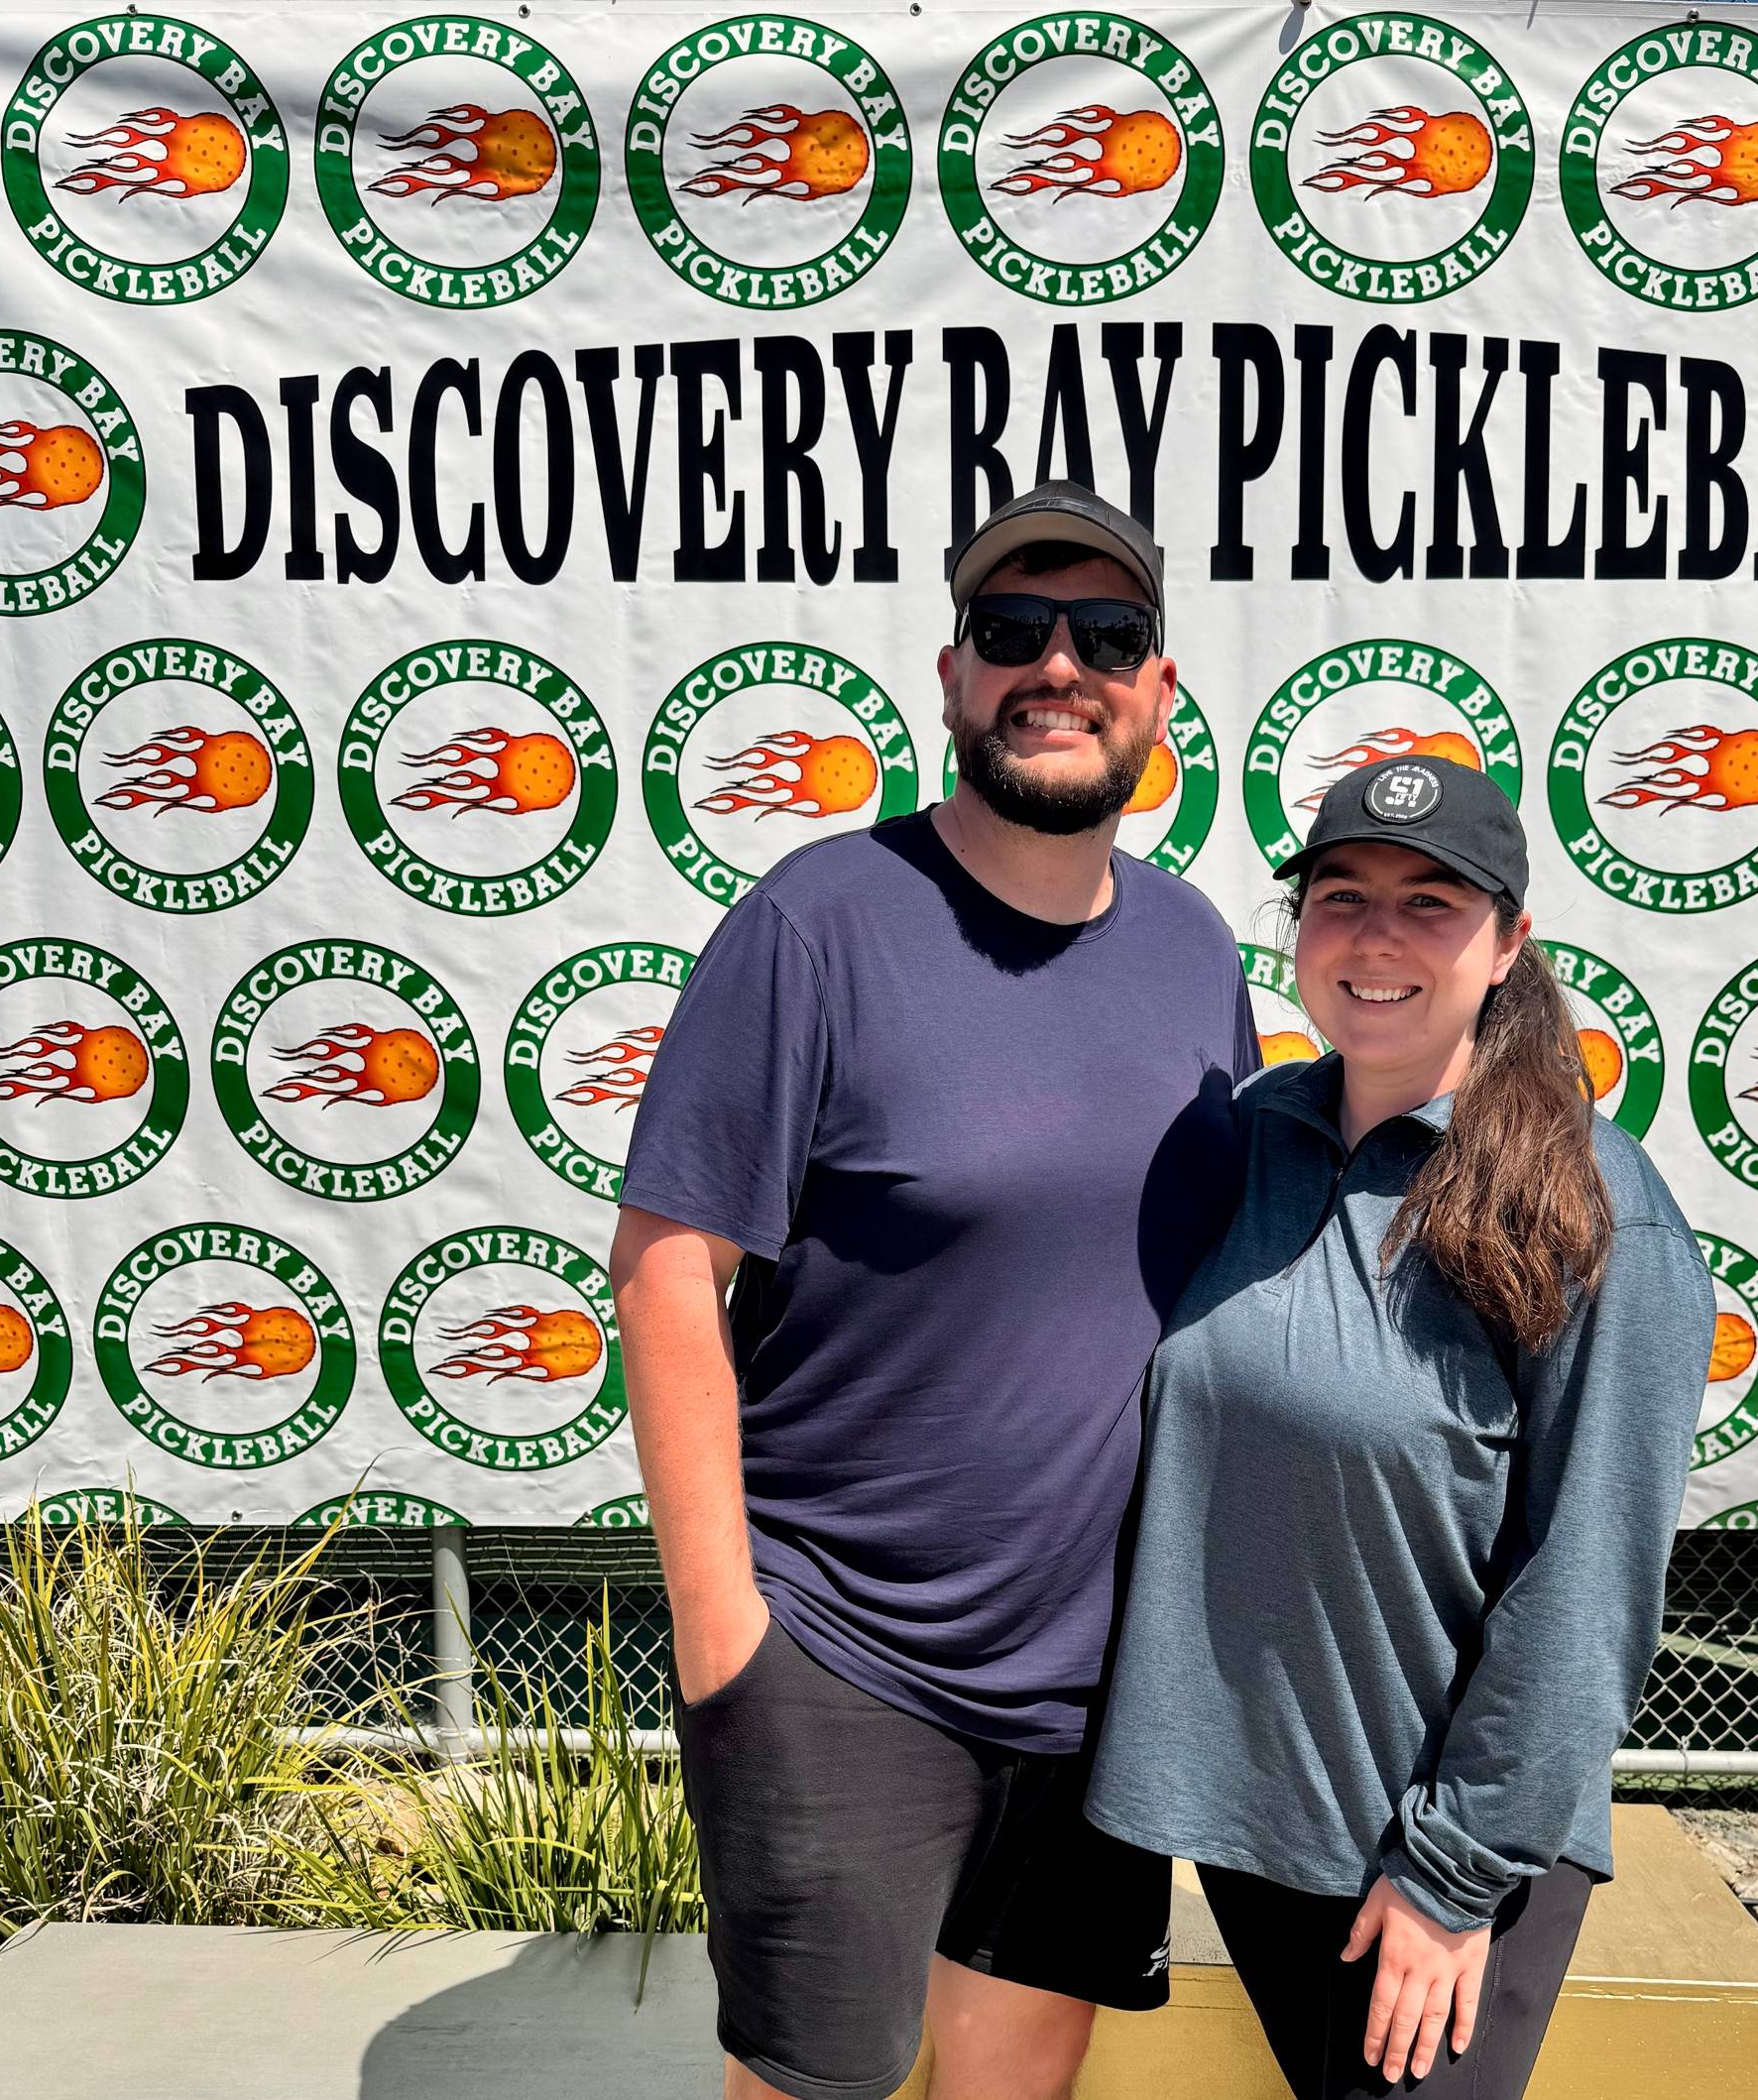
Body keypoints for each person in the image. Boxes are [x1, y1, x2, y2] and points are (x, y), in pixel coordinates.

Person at [609, 480, 1262, 2100]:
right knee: (813, 2083)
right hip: (837, 1657)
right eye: (1013, 627)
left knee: (1016, 2083)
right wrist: (725, 1633)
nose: (1060, 665)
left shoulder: (1196, 949)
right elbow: (668, 1267)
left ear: (1160, 687)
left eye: (1106, 632)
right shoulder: (815, 926)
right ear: (955, 672)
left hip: (1096, 1682)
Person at [1085, 754, 1716, 2100]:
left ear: (1509, 943)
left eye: (1431, 903)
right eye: (1342, 896)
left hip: (1437, 1852)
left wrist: (1453, 1873)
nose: (1377, 937)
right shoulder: (1252, 1138)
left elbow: (1588, 1581)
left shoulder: (1591, 1208)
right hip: (1256, 1817)